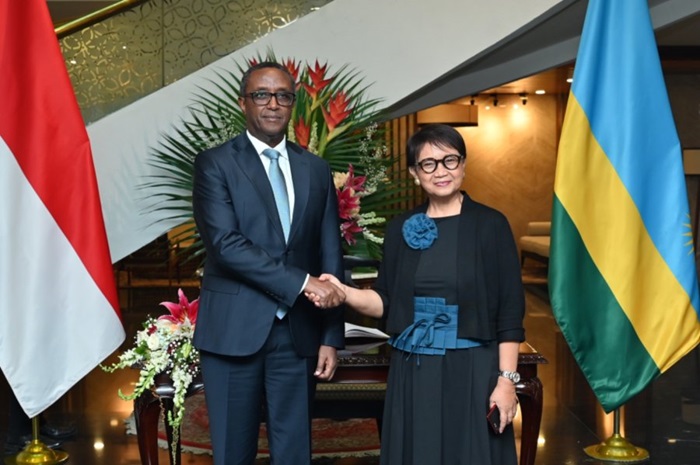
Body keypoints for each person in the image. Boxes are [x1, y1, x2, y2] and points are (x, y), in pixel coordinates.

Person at [312, 123, 525, 464]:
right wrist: (344, 292)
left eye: (450, 160)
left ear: (463, 165)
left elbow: (510, 312)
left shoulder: (491, 225)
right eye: (428, 164)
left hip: (472, 367)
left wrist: (506, 381)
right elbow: (385, 301)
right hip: (414, 368)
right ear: (415, 173)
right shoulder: (401, 227)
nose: (441, 171)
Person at [191, 61, 346, 465]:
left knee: (295, 453)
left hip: (299, 333)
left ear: (293, 104)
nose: (273, 104)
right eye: (261, 95)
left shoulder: (315, 169)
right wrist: (303, 283)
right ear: (242, 102)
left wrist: (331, 335)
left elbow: (330, 252)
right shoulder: (215, 163)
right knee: (233, 453)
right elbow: (226, 245)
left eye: (283, 96)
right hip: (232, 331)